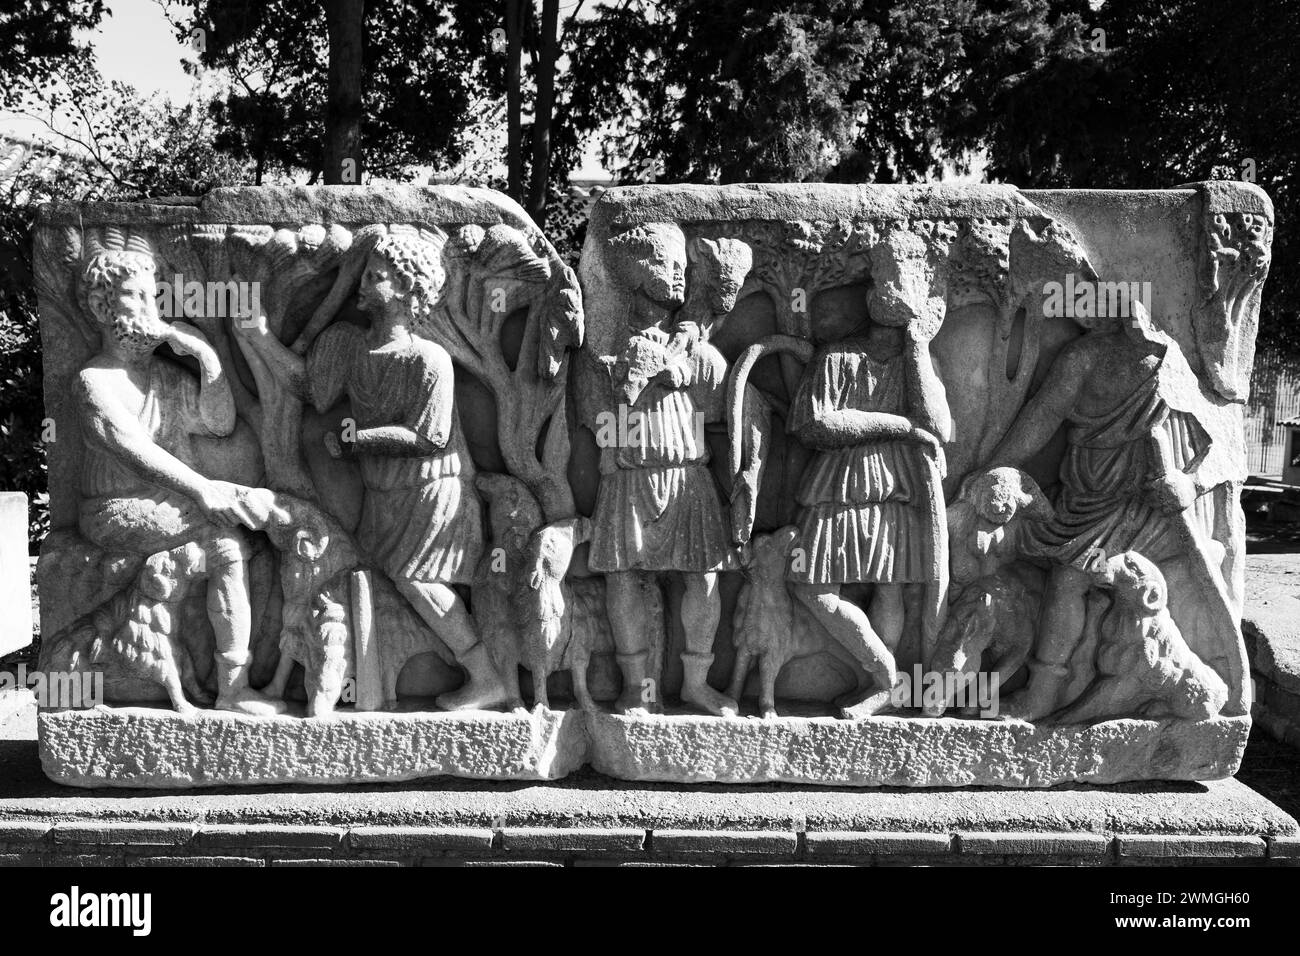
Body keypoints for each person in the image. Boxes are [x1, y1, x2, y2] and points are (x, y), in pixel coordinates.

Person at [237, 232, 507, 711]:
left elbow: (431, 437)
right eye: (363, 273)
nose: (363, 284)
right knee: (381, 581)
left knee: (418, 582)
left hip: (431, 492)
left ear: (408, 289)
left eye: (376, 276)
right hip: (382, 493)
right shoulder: (346, 346)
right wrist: (259, 336)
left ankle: (486, 677)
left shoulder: (429, 359)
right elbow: (308, 387)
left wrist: (357, 441)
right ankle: (372, 681)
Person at [74, 248, 282, 715]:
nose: (153, 310)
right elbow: (132, 448)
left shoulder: (165, 376)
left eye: (155, 297)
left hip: (172, 501)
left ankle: (244, 676)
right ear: (104, 308)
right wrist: (202, 489)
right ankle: (232, 688)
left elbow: (219, 423)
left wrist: (205, 356)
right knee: (226, 543)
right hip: (115, 508)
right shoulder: (94, 381)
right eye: (138, 297)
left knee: (259, 529)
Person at [988, 302, 1212, 720]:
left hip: (1143, 507)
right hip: (1082, 498)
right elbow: (1043, 414)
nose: (1138, 313)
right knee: (1035, 556)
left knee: (1069, 577)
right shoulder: (1085, 356)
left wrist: (1190, 482)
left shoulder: (1177, 363)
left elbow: (1219, 442)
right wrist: (999, 466)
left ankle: (1042, 693)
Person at [589, 225, 744, 716]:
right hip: (629, 477)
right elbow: (598, 413)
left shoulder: (697, 349)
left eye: (681, 265)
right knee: (623, 578)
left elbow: (730, 406)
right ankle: (638, 687)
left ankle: (696, 683)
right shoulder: (605, 341)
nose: (677, 273)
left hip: (687, 476)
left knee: (704, 577)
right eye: (662, 263)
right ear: (635, 271)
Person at [786, 313, 951, 717]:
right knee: (810, 586)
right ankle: (886, 673)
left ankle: (880, 689)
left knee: (889, 585)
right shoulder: (836, 357)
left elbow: (938, 426)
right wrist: (901, 427)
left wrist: (918, 346)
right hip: (836, 487)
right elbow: (815, 425)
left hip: (896, 489)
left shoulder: (919, 364)